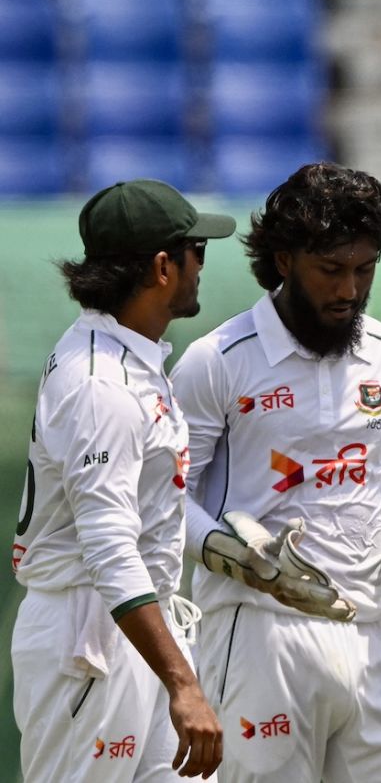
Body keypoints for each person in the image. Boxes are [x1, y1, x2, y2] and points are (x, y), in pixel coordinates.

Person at [171, 163, 381, 783]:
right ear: (283, 260)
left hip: (374, 629)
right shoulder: (216, 362)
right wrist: (239, 557)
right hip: (259, 635)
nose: (350, 290)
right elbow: (166, 504)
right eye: (331, 270)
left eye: (364, 269)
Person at [12, 179, 236, 782]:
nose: (200, 268)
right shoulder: (101, 387)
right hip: (87, 642)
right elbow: (110, 547)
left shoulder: (128, 355)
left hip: (138, 629)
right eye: (197, 253)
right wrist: (183, 684)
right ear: (163, 267)